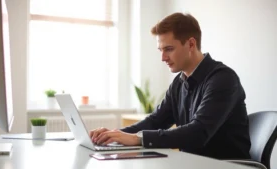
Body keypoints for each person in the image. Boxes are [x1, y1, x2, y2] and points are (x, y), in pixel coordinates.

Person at [90, 12, 251, 159]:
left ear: (191, 44)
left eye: (168, 49)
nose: (163, 57)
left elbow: (198, 132)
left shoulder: (223, 79)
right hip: (192, 163)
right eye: (161, 50)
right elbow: (155, 121)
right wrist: (114, 135)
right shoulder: (179, 83)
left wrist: (137, 138)